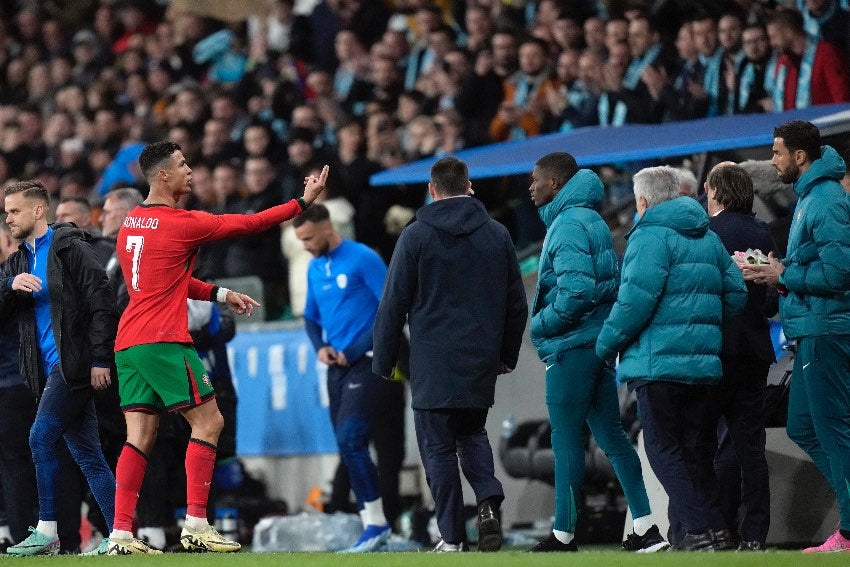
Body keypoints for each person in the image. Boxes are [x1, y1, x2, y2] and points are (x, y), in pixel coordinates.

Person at [107, 140, 326, 555]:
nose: (190, 170)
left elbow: (166, 280)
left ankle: (120, 533)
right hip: (163, 339)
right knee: (209, 423)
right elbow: (249, 224)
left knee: (140, 434)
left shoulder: (133, 223)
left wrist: (221, 294)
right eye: (183, 164)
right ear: (164, 176)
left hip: (129, 342)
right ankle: (196, 524)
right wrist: (302, 201)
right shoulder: (181, 222)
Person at [372, 156, 528, 552]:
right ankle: (488, 501)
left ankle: (453, 537)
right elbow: (516, 304)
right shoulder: (497, 234)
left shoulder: (416, 235)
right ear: (469, 186)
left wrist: (384, 361)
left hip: (432, 361)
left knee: (438, 448)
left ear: (432, 190)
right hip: (480, 359)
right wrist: (506, 353)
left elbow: (393, 304)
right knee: (473, 434)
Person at [596, 166, 747, 551]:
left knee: (663, 448)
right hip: (703, 366)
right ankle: (717, 529)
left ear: (642, 200)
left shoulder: (648, 238)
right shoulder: (706, 236)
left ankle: (697, 529)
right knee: (696, 451)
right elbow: (737, 294)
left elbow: (634, 303)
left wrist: (604, 346)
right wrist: (703, 327)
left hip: (658, 364)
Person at [526, 152, 667, 553]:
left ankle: (563, 534)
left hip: (572, 347)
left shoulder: (568, 224)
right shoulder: (590, 218)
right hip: (597, 345)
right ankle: (645, 526)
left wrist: (541, 324)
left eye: (536, 179)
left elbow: (577, 291)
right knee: (612, 436)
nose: (530, 186)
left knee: (566, 438)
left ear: (555, 183)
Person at [744, 120, 850, 553]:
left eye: (777, 152)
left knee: (831, 429)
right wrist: (780, 272)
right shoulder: (811, 196)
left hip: (826, 329)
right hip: (810, 328)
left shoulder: (824, 200)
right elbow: (816, 264)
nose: (773, 160)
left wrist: (785, 273)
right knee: (803, 426)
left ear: (800, 157)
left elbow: (841, 271)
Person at [1, 180, 118, 557]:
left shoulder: (70, 248)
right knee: (89, 456)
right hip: (48, 370)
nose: (8, 218)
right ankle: (122, 534)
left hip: (73, 366)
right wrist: (9, 286)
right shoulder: (19, 260)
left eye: (14, 210)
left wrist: (100, 358)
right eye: (6, 211)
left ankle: (47, 530)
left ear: (38, 210)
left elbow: (103, 302)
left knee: (39, 438)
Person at [293, 203, 398, 552]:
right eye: (301, 241)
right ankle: (373, 526)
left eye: (308, 238)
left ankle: (378, 523)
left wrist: (352, 350)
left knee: (352, 436)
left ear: (326, 226)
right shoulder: (313, 267)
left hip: (368, 361)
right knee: (346, 443)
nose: (306, 246)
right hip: (335, 367)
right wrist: (320, 346)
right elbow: (310, 318)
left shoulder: (363, 258)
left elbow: (390, 310)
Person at [705, 163, 778, 551]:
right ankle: (754, 534)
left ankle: (719, 528)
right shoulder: (761, 233)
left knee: (710, 444)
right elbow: (769, 300)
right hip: (753, 353)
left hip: (713, 352)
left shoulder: (705, 235)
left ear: (714, 191)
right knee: (750, 446)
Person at [0, 215, 38, 549]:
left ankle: (25, 533)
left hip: (15, 380)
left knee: (17, 460)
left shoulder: (17, 278)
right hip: (15, 378)